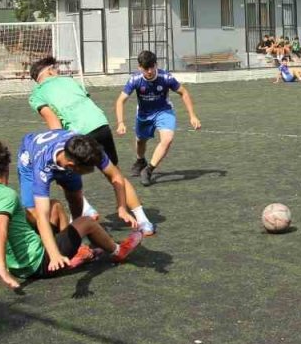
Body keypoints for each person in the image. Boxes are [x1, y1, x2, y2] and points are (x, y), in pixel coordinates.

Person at [0, 141, 142, 290]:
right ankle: (118, 251)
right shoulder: (6, 194)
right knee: (86, 222)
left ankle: (75, 253)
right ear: (7, 166)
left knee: (55, 206)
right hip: (39, 262)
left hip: (18, 267)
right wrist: (1, 269)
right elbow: (0, 228)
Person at [28, 57, 155, 235]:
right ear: (49, 71)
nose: (58, 71)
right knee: (115, 174)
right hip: (100, 124)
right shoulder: (69, 81)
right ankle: (143, 220)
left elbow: (54, 123)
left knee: (61, 175)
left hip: (78, 133)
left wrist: (57, 147)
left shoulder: (37, 95)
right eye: (55, 69)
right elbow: (85, 103)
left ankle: (86, 208)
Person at [15, 129, 141, 270]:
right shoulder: (42, 167)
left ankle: (76, 243)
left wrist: (122, 207)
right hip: (30, 160)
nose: (94, 171)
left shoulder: (87, 148)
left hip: (62, 157)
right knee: (33, 213)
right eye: (89, 169)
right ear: (72, 167)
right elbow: (42, 216)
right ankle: (52, 248)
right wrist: (54, 254)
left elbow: (116, 176)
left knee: (75, 197)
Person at [115, 50, 202, 185]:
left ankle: (148, 170)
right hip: (144, 114)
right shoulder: (135, 79)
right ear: (139, 67)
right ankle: (140, 160)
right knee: (140, 141)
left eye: (152, 67)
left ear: (156, 64)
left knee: (167, 139)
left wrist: (192, 115)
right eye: (145, 68)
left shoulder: (166, 77)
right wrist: (120, 122)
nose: (149, 71)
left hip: (164, 111)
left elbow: (183, 93)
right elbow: (120, 101)